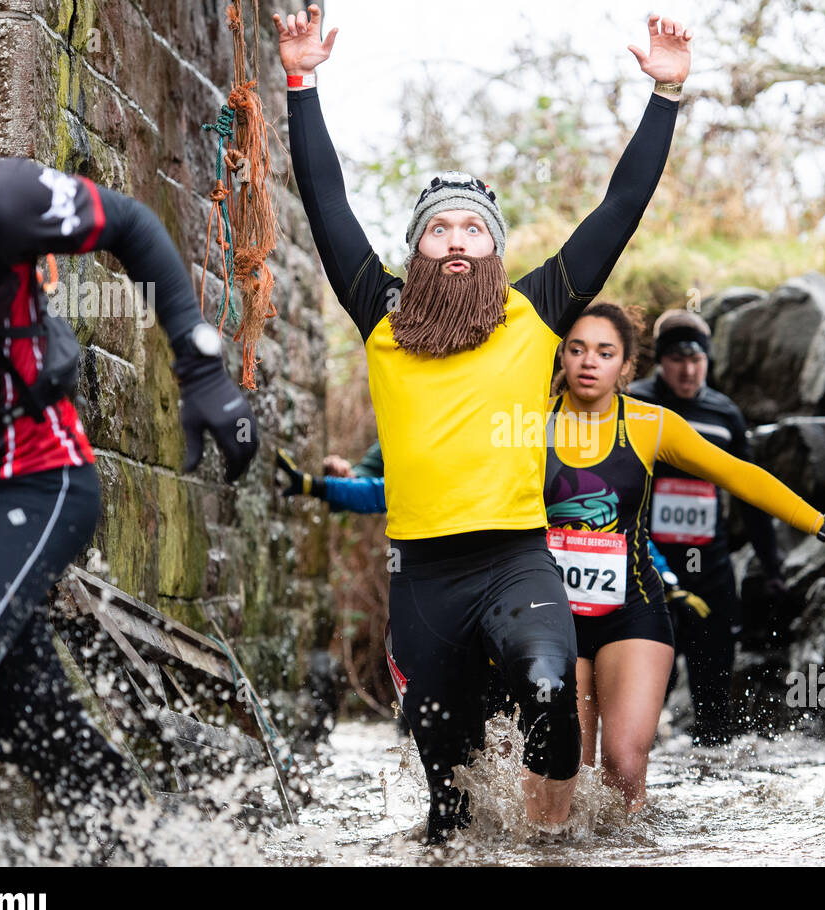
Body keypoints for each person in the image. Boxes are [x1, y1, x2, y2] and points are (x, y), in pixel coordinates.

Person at [274, 4, 690, 841]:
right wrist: (301, 83)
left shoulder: (534, 311)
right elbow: (326, 202)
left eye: (471, 228)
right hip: (423, 580)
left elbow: (618, 210)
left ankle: (553, 850)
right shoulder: (382, 315)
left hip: (515, 560)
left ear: (493, 247)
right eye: (438, 230)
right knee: (450, 807)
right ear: (416, 249)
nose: (455, 240)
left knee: (547, 689)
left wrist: (666, 97)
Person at [0, 57, 259, 835]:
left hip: (36, 475)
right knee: (15, 712)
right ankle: (140, 844)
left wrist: (202, 373)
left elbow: (131, 224)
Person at [545, 302, 825, 811]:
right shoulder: (528, 423)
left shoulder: (651, 424)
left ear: (626, 365)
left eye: (605, 352)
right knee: (567, 769)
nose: (589, 362)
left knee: (622, 765)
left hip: (634, 611)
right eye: (577, 349)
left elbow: (742, 476)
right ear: (561, 357)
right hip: (553, 615)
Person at [627, 309, 784, 745]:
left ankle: (711, 779)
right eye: (677, 358)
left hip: (710, 568)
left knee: (714, 694)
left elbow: (751, 494)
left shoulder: (724, 414)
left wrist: (772, 566)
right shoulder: (635, 404)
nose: (689, 369)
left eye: (698, 359)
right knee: (641, 695)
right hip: (646, 567)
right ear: (660, 360)